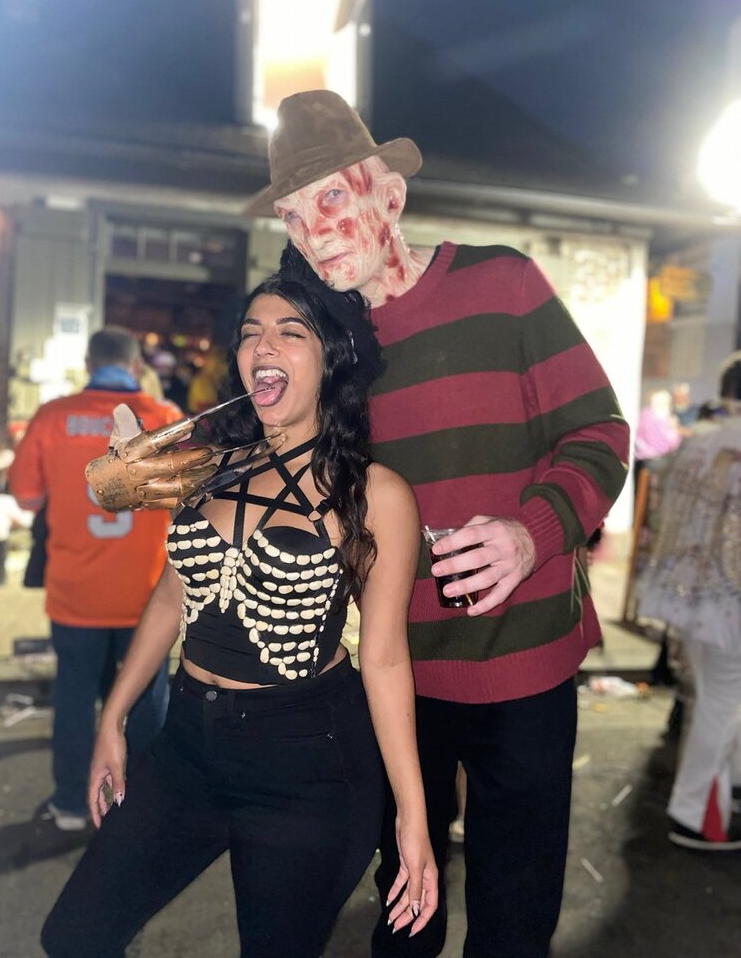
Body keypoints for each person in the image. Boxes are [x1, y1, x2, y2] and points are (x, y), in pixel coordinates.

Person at [243, 90, 630, 958]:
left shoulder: (505, 284)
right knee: (405, 906)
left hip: (525, 659)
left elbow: (600, 433)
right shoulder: (328, 346)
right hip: (396, 671)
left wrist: (531, 534)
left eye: (330, 197)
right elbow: (277, 460)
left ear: (389, 193)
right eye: (294, 216)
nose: (314, 230)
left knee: (515, 911)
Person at [40, 274, 438, 958]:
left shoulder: (376, 494)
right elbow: (171, 597)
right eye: (252, 333)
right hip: (187, 744)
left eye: (290, 332)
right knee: (74, 934)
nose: (264, 346)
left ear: (332, 359)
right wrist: (114, 716)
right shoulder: (212, 468)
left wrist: (413, 816)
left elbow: (385, 659)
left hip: (307, 761)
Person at [9, 327, 178, 831]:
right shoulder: (164, 418)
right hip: (146, 595)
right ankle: (141, 806)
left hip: (75, 592)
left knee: (75, 697)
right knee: (144, 699)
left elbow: (25, 499)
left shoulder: (51, 417)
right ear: (136, 365)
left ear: (89, 363)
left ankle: (69, 803)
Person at [639, 353, 741, 851]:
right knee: (720, 706)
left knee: (715, 700)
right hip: (728, 605)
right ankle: (695, 814)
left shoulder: (697, 444)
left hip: (691, 599)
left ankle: (724, 794)